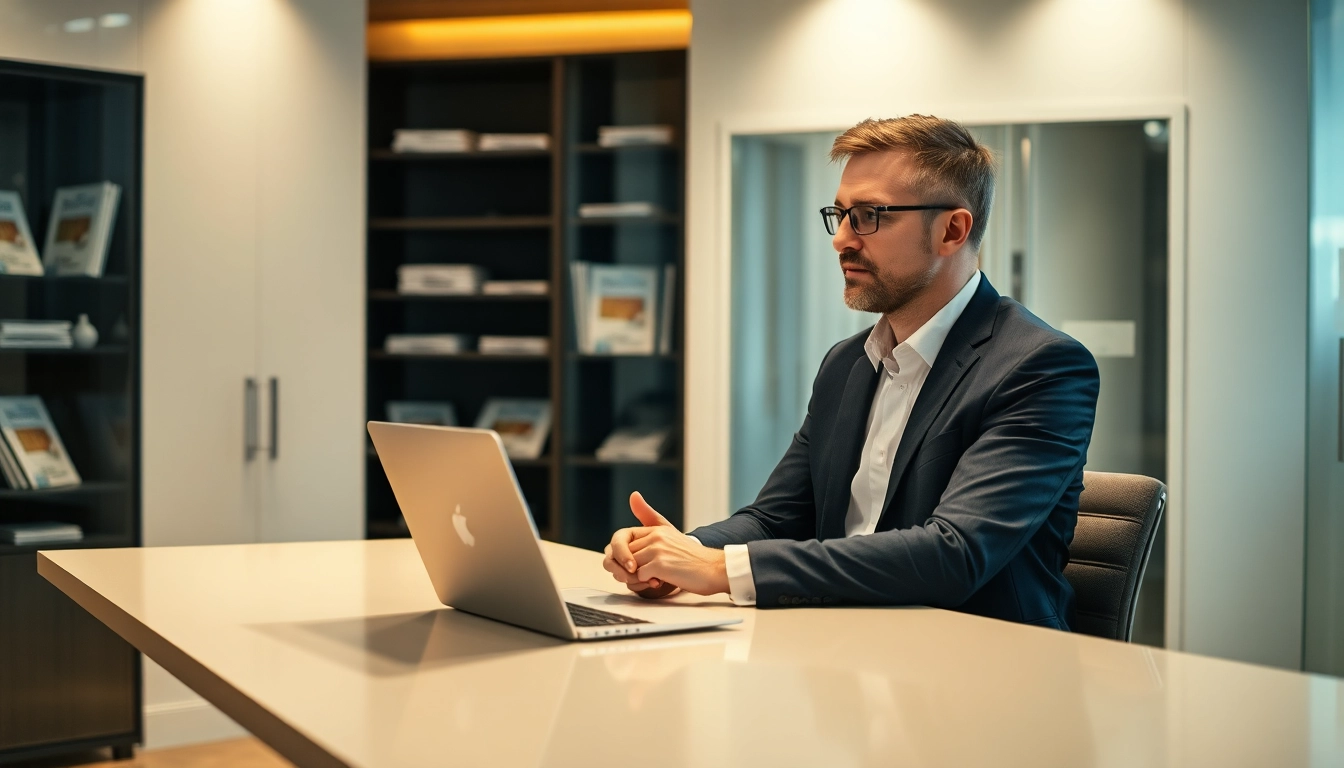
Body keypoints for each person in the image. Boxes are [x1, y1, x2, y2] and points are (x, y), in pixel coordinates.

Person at [602, 115, 1099, 630]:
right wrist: (676, 552)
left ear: (952, 229)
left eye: (868, 216)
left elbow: (955, 555)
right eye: (839, 215)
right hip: (847, 648)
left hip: (981, 669)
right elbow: (775, 518)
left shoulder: (1040, 366)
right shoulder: (846, 363)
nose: (841, 239)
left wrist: (720, 569)